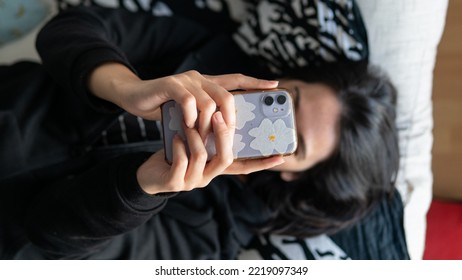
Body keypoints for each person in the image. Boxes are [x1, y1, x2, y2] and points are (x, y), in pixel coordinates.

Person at [0, 5, 408, 259]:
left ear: (292, 172)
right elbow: (72, 27)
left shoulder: (213, 238)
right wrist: (125, 89)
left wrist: (143, 188)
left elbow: (50, 235)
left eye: (291, 141)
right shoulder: (207, 56)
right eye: (288, 101)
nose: (268, 123)